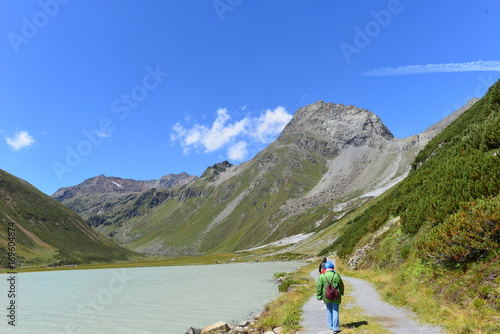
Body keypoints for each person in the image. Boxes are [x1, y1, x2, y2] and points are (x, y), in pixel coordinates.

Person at [316, 262, 344, 333]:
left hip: (326, 296)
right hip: (336, 296)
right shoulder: (336, 275)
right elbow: (341, 285)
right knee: (335, 311)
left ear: (325, 268)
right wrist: (342, 292)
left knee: (329, 311)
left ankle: (330, 326)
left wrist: (319, 295)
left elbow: (319, 286)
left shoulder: (322, 276)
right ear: (333, 267)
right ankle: (335, 328)